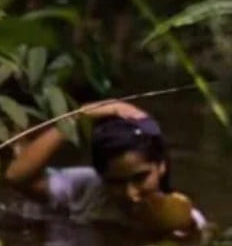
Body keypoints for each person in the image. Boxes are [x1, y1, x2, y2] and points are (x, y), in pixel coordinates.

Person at [3, 99, 204, 235]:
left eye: (140, 178)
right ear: (101, 175)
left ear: (161, 165)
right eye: (115, 182)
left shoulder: (182, 218)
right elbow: (16, 176)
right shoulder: (88, 187)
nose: (130, 194)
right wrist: (79, 116)